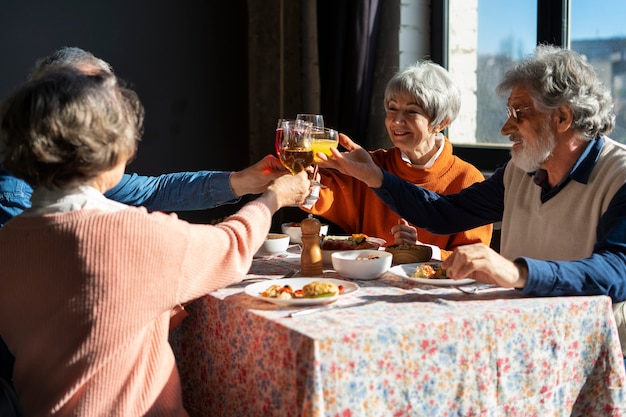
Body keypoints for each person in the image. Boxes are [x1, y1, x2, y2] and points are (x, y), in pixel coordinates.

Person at [0, 68, 310, 416]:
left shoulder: (9, 240)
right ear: (109, 144)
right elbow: (233, 245)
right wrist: (273, 199)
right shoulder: (135, 237)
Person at [317, 45, 626, 355]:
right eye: (508, 113)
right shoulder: (520, 170)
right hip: (522, 337)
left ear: (562, 117)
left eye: (518, 114)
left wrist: (516, 272)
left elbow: (616, 270)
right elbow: (444, 212)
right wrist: (375, 176)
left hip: (593, 354)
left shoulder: (619, 176)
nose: (506, 129)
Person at [302, 60, 492, 260]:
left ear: (441, 123)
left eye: (412, 111)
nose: (396, 120)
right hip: (366, 282)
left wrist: (422, 250)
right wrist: (301, 169)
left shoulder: (467, 179)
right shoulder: (371, 166)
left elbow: (474, 259)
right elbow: (316, 194)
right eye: (392, 108)